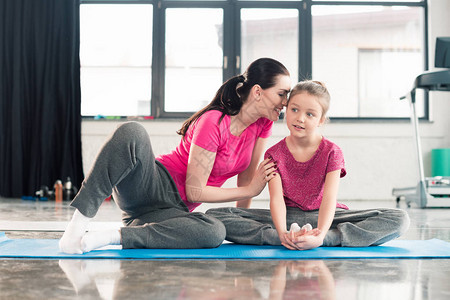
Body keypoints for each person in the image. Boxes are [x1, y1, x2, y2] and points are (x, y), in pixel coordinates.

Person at [59, 58, 290, 254]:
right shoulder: (214, 122)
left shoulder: (262, 125)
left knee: (213, 232)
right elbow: (195, 191)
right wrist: (249, 190)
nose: (285, 103)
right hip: (151, 184)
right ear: (258, 92)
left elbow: (246, 180)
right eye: (282, 94)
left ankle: (117, 236)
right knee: (132, 131)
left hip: (172, 212)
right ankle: (75, 229)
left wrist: (242, 226)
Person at [206, 80, 410, 250]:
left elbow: (330, 198)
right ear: (287, 111)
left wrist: (321, 234)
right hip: (286, 217)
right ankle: (284, 238)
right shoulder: (274, 154)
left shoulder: (332, 151)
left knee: (399, 219)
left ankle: (329, 238)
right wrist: (282, 233)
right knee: (215, 216)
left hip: (326, 217)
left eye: (310, 114)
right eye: (294, 110)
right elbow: (276, 200)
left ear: (321, 119)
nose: (300, 118)